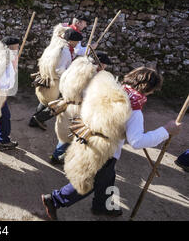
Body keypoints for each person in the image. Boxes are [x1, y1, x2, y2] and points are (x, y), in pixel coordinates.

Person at [41, 67, 182, 220]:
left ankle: (102, 206)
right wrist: (166, 130)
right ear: (148, 88)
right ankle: (54, 200)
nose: (153, 93)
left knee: (107, 178)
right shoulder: (134, 109)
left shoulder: (111, 91)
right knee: (90, 180)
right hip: (105, 151)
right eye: (153, 90)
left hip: (88, 138)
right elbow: (137, 141)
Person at [49, 52, 112, 165]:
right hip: (78, 109)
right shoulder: (90, 76)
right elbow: (87, 95)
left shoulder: (75, 69)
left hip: (66, 104)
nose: (106, 67)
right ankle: (58, 156)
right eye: (105, 65)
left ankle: (57, 155)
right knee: (73, 134)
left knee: (65, 132)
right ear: (100, 64)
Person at [29, 28, 84, 130]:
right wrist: (70, 75)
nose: (77, 43)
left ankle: (34, 120)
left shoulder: (58, 46)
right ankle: (39, 118)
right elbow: (59, 69)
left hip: (48, 78)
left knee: (45, 101)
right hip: (56, 81)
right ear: (71, 41)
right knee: (58, 104)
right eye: (77, 41)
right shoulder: (65, 51)